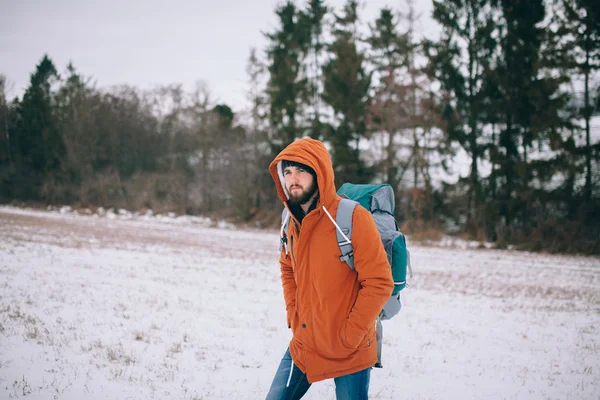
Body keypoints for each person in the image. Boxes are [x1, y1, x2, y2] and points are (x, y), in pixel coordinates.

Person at [266, 138, 394, 400]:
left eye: (301, 170)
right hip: (304, 343)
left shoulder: (353, 218)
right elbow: (287, 268)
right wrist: (293, 313)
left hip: (349, 349)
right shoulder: (290, 221)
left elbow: (380, 282)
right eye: (287, 172)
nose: (293, 179)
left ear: (319, 173)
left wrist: (350, 335)